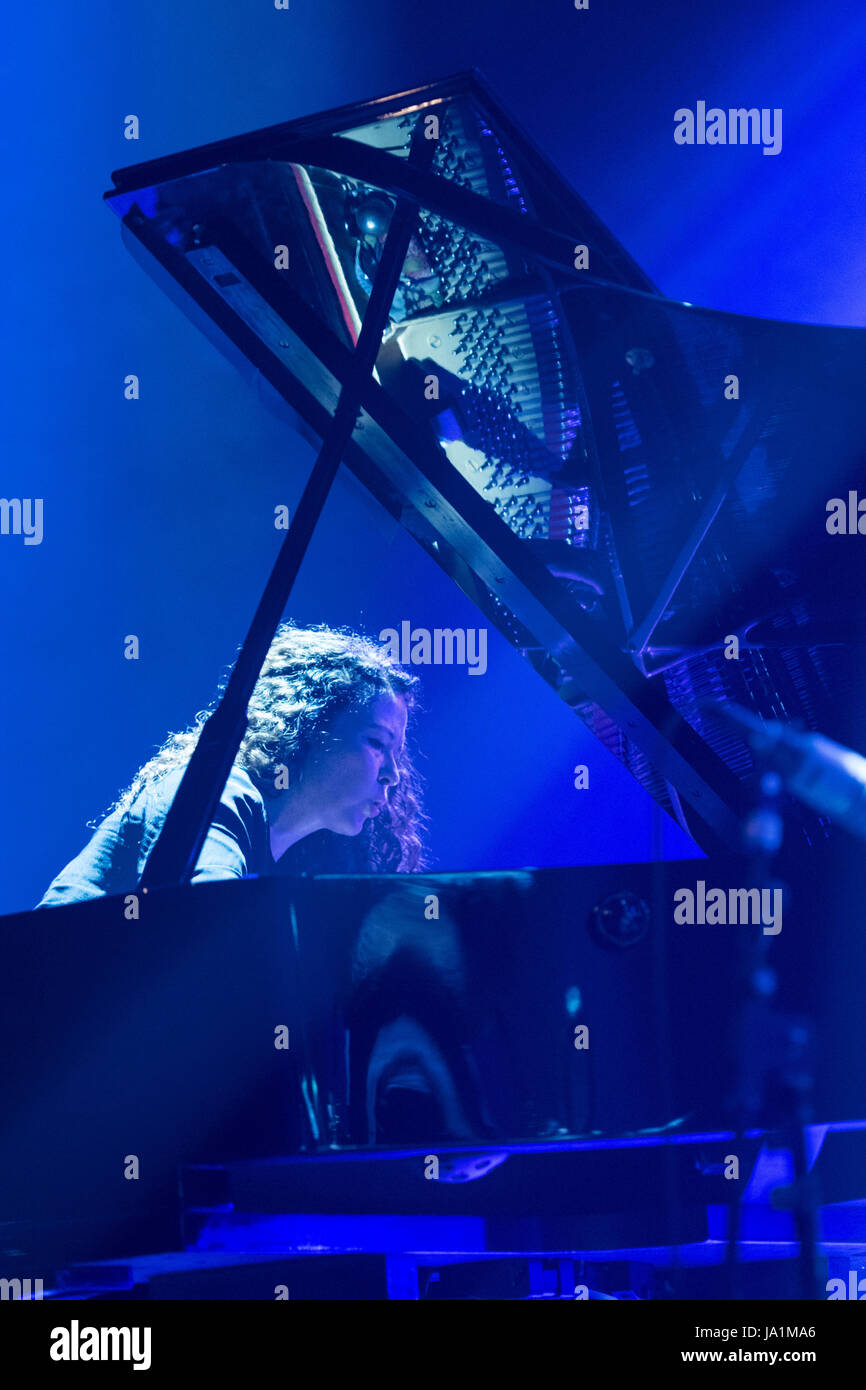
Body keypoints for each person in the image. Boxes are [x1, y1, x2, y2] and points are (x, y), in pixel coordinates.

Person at [35, 622, 428, 908]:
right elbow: (211, 916)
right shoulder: (223, 792)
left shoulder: (279, 857)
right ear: (311, 729)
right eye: (378, 743)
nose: (393, 775)